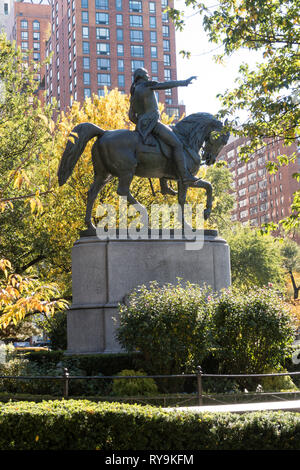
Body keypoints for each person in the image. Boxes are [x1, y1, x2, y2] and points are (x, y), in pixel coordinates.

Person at [129, 68, 199, 185]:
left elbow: (131, 116)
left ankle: (164, 185)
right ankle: (185, 175)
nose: (148, 76)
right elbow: (166, 85)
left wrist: (142, 122)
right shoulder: (147, 85)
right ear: (142, 76)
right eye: (147, 74)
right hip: (154, 124)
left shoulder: (134, 92)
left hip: (142, 126)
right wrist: (184, 82)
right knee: (177, 144)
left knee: (164, 146)